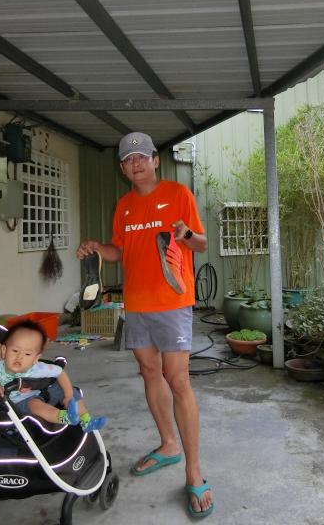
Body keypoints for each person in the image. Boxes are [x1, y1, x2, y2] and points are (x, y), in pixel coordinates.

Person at [76, 131, 214, 518]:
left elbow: (201, 244)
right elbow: (118, 251)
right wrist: (96, 248)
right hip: (136, 304)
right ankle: (169, 444)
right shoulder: (123, 207)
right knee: (150, 372)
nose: (135, 163)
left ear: (155, 160)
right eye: (127, 159)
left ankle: (193, 470)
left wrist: (187, 234)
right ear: (122, 168)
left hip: (173, 302)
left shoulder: (178, 194)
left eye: (141, 157)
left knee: (178, 380)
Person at [0, 320, 105, 432]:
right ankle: (65, 417)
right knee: (36, 404)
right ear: (4, 351)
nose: (19, 356)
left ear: (36, 359)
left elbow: (60, 372)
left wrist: (68, 395)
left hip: (42, 392)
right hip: (22, 402)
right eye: (15, 351)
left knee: (70, 390)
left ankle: (86, 420)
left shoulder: (38, 368)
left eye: (27, 354)